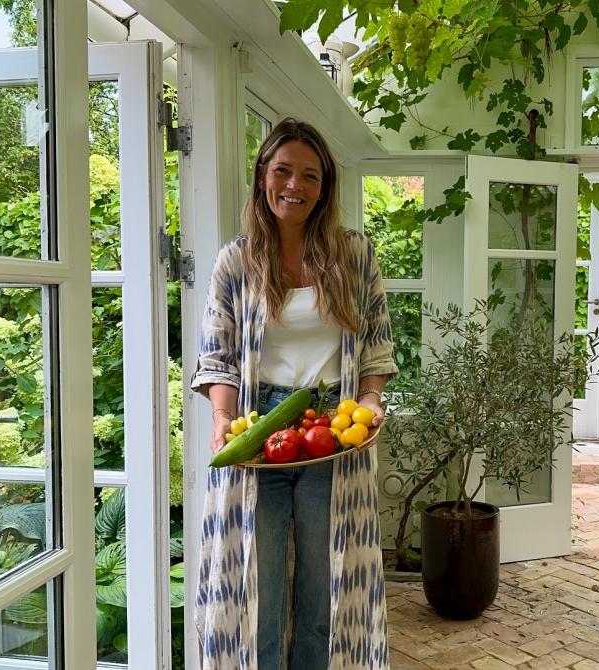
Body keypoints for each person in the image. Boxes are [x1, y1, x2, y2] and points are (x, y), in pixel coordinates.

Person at [190, 117, 398, 669]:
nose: (295, 186)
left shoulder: (354, 255)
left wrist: (372, 401)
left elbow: (376, 347)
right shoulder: (235, 261)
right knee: (257, 585)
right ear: (263, 177)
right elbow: (217, 356)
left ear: (325, 186)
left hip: (333, 430)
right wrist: (222, 418)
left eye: (311, 176)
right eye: (283, 171)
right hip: (261, 431)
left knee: (324, 583)